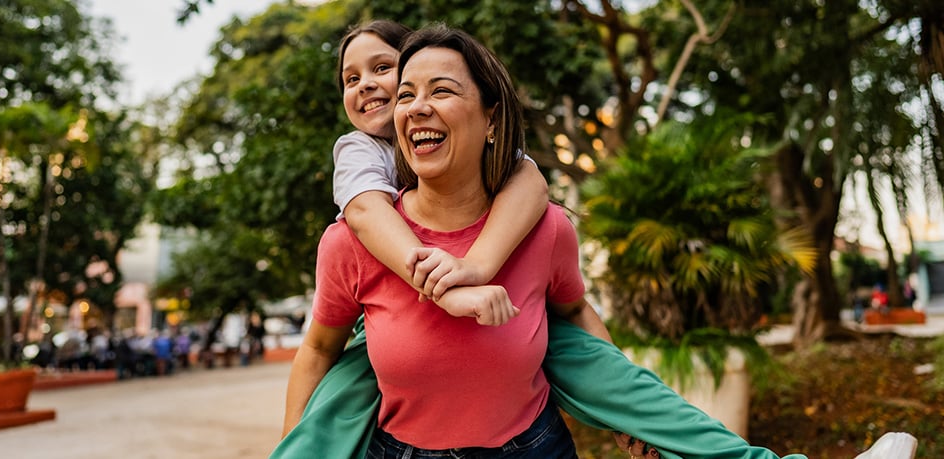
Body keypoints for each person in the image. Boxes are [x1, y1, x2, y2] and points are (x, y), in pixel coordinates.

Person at [276, 23, 808, 459]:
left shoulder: (537, 217)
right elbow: (331, 313)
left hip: (533, 445)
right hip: (396, 428)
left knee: (605, 371)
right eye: (401, 92)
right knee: (342, 399)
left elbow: (542, 213)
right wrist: (454, 292)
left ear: (490, 117)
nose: (393, 97)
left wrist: (624, 417)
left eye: (433, 87)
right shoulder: (356, 188)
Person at [332, 20, 548, 319]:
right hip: (386, 314)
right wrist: (447, 291)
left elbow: (528, 179)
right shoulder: (358, 149)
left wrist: (476, 265)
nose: (365, 84)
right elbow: (365, 212)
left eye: (382, 68)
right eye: (351, 79)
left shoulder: (468, 138)